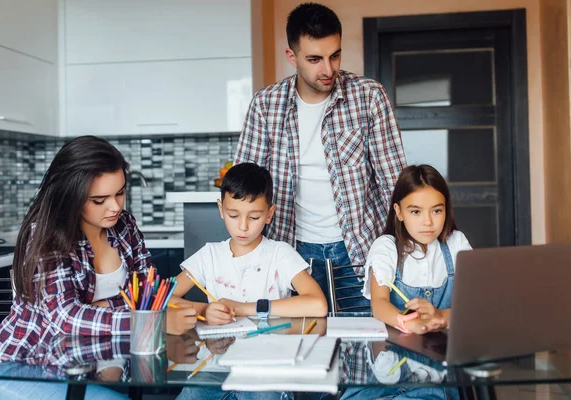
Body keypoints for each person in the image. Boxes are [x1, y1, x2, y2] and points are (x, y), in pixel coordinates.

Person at [0, 136, 197, 400]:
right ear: (71, 196)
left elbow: (147, 293)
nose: (115, 206)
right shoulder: (46, 234)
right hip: (23, 367)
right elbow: (66, 318)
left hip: (93, 366)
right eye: (99, 200)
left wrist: (119, 308)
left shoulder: (125, 225)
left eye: (120, 192)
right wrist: (152, 322)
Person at [234, 2, 406, 310]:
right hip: (291, 256)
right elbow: (245, 191)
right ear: (292, 56)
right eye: (315, 59)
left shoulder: (368, 97)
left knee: (367, 347)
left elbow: (395, 183)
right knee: (301, 349)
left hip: (361, 253)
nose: (328, 69)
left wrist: (406, 251)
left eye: (335, 55)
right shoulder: (266, 105)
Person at [170, 162, 327, 324]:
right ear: (221, 209)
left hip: (271, 346)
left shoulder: (280, 254)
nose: (243, 227)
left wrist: (243, 308)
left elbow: (318, 305)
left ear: (269, 214)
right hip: (222, 347)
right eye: (233, 215)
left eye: (254, 218)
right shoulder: (209, 255)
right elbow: (163, 299)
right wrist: (204, 310)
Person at [365, 164, 472, 334]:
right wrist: (410, 324)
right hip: (398, 347)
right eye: (416, 212)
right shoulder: (386, 247)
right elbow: (379, 304)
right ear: (399, 212)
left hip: (447, 348)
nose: (428, 221)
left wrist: (439, 315)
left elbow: (474, 305)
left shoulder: (456, 242)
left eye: (436, 211)